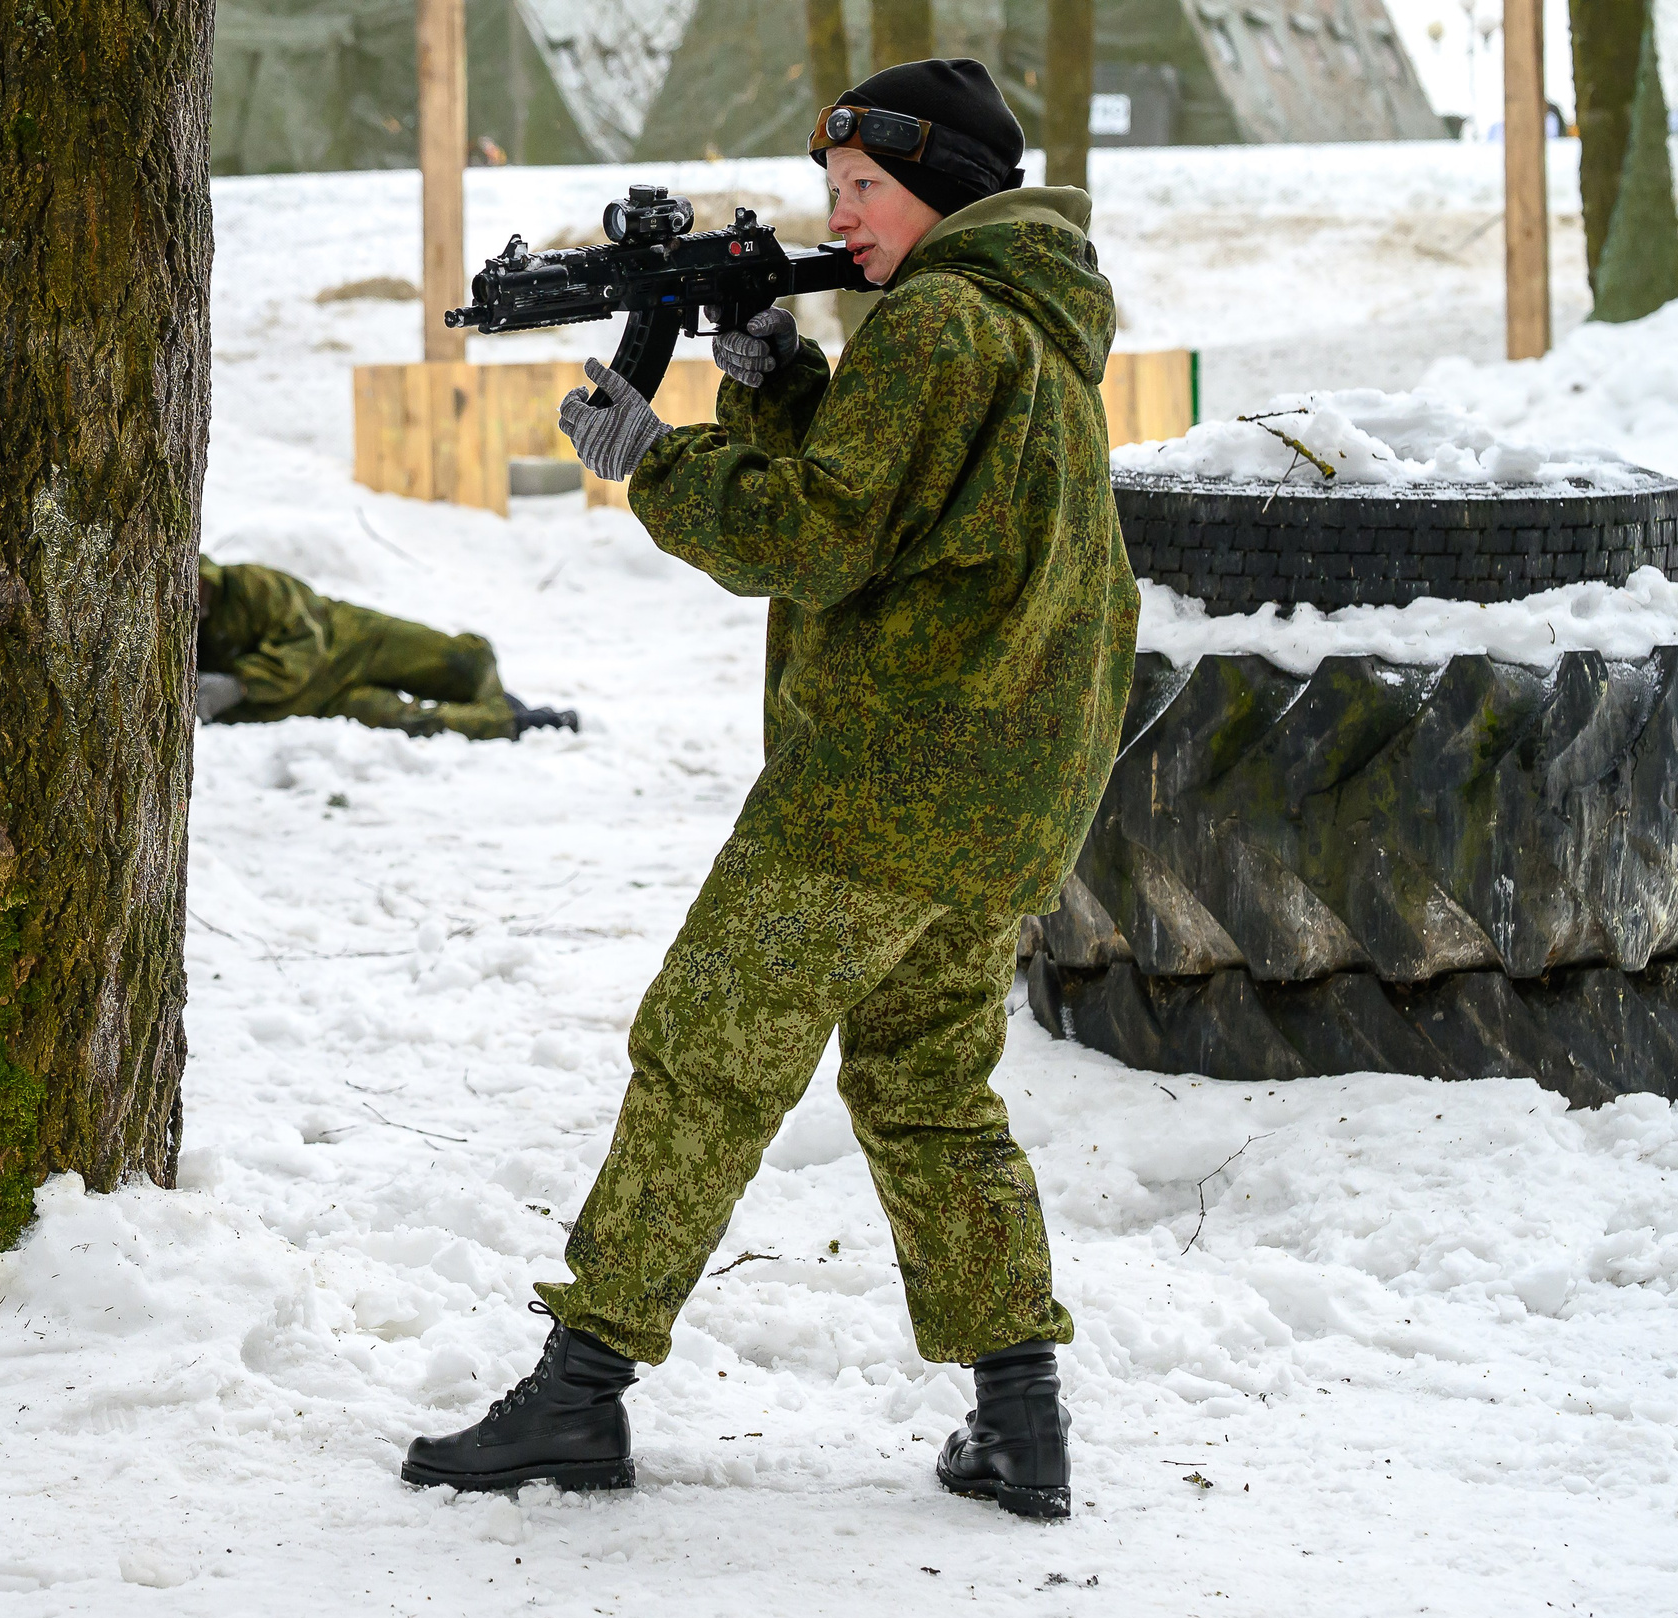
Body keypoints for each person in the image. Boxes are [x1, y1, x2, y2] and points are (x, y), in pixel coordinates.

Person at [399, 59, 1137, 1522]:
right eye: (833, 189)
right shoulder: (1025, 324)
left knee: (707, 1050)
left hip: (883, 787)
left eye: (863, 188)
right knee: (927, 1089)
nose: (839, 215)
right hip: (1006, 795)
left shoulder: (936, 323)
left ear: (941, 188)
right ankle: (1021, 1417)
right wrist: (782, 381)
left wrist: (655, 463)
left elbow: (817, 540)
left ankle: (580, 1391)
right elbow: (903, 515)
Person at [195, 554, 579, 741]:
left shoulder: (250, 584)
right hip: (324, 701)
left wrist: (242, 684)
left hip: (354, 640)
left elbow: (305, 643)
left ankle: (498, 699)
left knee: (461, 661)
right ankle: (514, 722)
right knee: (410, 722)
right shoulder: (191, 636)